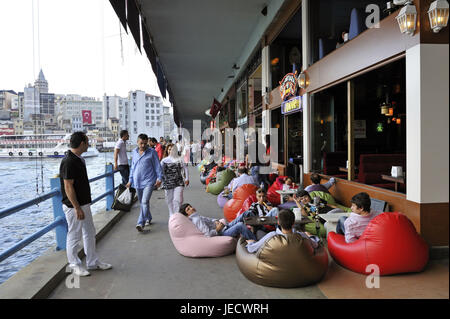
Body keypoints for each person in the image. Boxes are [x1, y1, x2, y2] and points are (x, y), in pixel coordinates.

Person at [59, 131, 112, 277]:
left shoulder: (79, 159)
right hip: (74, 207)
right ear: (82, 143)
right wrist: (76, 207)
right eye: (88, 142)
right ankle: (74, 264)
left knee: (89, 232)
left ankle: (92, 262)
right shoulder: (69, 161)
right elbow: (68, 186)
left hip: (84, 203)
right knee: (74, 235)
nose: (89, 144)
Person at [127, 134, 162, 232]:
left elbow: (157, 166)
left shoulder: (152, 152)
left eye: (145, 143)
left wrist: (159, 178)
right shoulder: (134, 152)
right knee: (143, 202)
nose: (143, 145)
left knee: (144, 201)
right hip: (137, 182)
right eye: (141, 143)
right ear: (137, 142)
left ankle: (140, 222)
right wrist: (130, 180)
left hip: (149, 181)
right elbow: (132, 167)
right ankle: (148, 217)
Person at [246, 209, 320, 253]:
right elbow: (315, 245)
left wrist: (251, 243)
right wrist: (310, 236)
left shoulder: (272, 236)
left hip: (276, 263)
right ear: (294, 222)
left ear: (278, 222)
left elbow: (251, 249)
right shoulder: (301, 235)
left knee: (259, 232)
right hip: (297, 265)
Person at [179, 203, 256, 240]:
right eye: (188, 209)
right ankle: (256, 242)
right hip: (221, 233)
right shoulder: (197, 220)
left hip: (224, 226)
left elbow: (210, 219)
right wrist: (217, 229)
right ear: (187, 215)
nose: (191, 208)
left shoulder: (197, 216)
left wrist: (216, 221)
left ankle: (261, 226)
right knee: (240, 225)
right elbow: (208, 234)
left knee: (246, 213)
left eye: (190, 206)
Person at [160, 144, 189, 216]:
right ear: (167, 150)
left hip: (179, 182)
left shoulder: (180, 159)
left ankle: (177, 215)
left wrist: (187, 178)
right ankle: (171, 213)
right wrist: (159, 180)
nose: (171, 151)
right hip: (168, 183)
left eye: (173, 149)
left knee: (178, 199)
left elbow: (185, 168)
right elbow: (160, 171)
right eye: (169, 149)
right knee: (169, 199)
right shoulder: (164, 160)